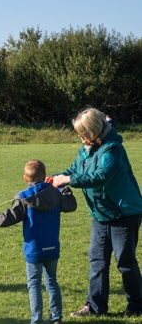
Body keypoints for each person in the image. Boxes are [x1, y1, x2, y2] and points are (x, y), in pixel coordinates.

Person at [52, 107, 142, 317]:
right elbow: (73, 171)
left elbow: (101, 176)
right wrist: (54, 178)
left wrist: (68, 180)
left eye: (82, 132)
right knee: (97, 260)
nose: (79, 137)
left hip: (124, 214)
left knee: (125, 261)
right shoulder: (86, 148)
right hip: (100, 215)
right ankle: (95, 307)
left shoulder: (112, 149)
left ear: (94, 130)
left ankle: (137, 306)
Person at [0, 159, 77, 324]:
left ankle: (36, 320)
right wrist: (62, 187)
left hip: (34, 250)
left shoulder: (23, 198)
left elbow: (3, 220)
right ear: (45, 176)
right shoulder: (55, 194)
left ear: (25, 178)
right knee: (52, 282)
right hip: (52, 248)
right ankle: (56, 318)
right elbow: (71, 205)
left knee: (34, 285)